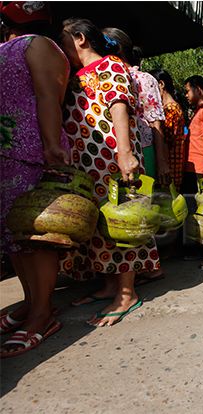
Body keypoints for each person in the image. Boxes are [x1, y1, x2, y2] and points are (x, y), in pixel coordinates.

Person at [57, 18, 159, 326]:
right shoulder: (76, 75)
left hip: (113, 158)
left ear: (80, 39)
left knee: (122, 224)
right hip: (88, 164)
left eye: (64, 42)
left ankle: (127, 293)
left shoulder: (111, 66)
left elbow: (118, 107)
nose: (62, 49)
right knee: (101, 226)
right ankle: (110, 284)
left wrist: (126, 153)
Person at [0, 1, 69, 357]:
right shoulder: (14, 45)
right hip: (9, 151)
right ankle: (31, 302)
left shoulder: (38, 45)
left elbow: (48, 96)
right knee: (14, 237)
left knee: (36, 234)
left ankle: (43, 313)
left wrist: (52, 145)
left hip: (33, 148)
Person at [101, 27, 169, 185]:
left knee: (141, 204)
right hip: (110, 151)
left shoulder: (143, 79)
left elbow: (156, 122)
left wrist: (161, 161)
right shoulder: (100, 76)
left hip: (143, 152)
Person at [150, 69, 186, 190]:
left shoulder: (170, 109)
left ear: (161, 84)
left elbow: (166, 141)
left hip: (168, 172)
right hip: (170, 170)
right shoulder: (169, 108)